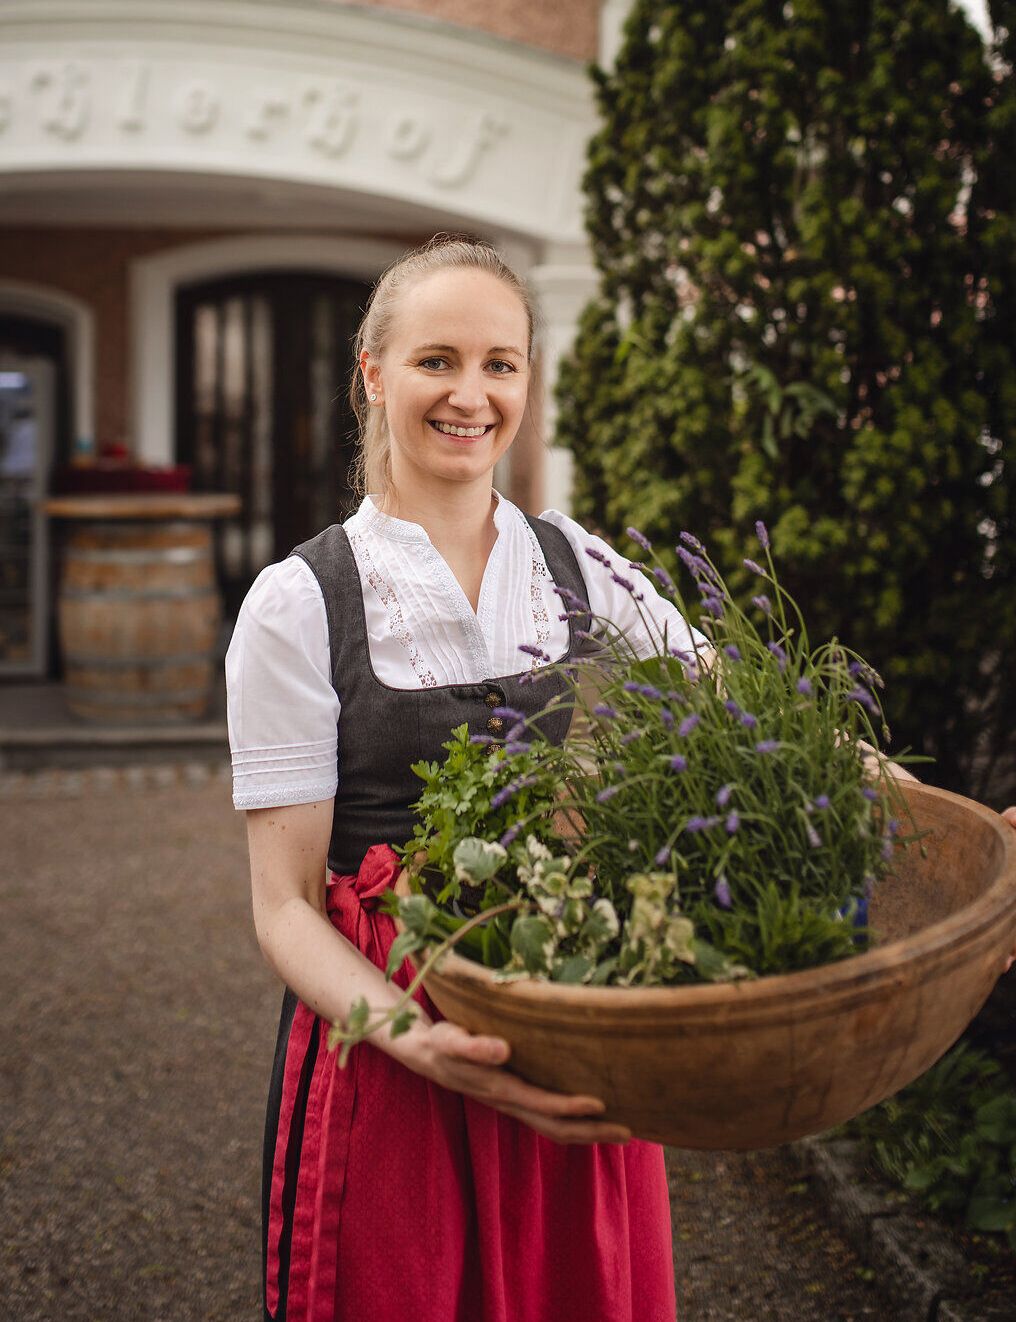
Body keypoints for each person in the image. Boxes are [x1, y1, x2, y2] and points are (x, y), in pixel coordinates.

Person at [226, 235, 1016, 1322]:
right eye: (436, 360)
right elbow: (282, 905)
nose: (472, 393)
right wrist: (425, 1043)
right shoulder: (298, 601)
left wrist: (955, 841)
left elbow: (759, 710)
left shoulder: (572, 561)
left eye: (500, 363)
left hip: (572, 1004)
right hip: (397, 1048)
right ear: (373, 371)